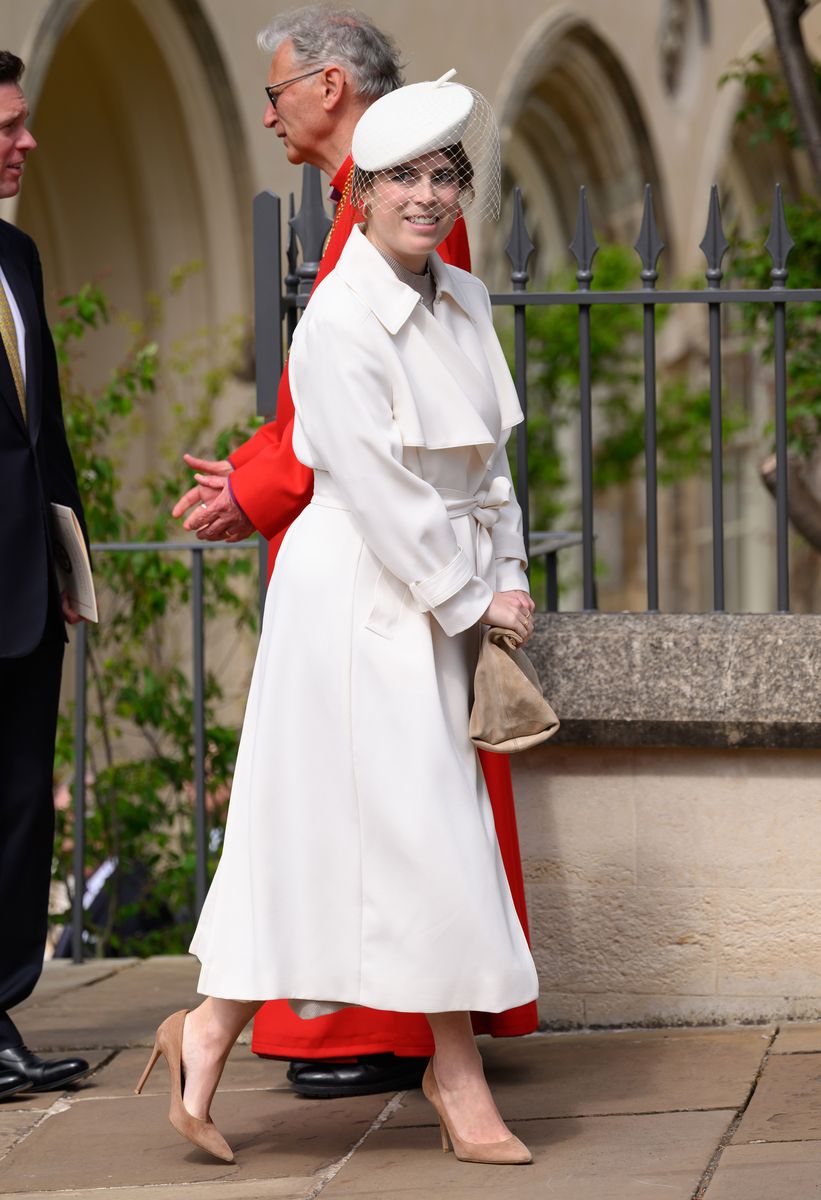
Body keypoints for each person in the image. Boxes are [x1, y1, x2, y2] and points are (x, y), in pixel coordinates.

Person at [138, 69, 538, 1170]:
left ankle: (205, 1035)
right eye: (403, 175)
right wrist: (473, 594)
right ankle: (454, 1079)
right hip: (356, 601)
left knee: (313, 832)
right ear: (358, 192)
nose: (426, 195)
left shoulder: (459, 298)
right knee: (412, 831)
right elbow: (378, 493)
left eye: (443, 174)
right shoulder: (335, 321)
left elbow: (485, 465)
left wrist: (503, 565)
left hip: (431, 590)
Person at [0, 50, 91, 1099]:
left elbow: (42, 434)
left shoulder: (17, 256)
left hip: (28, 589)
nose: (26, 142)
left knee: (22, 804)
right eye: (8, 127)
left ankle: (2, 1012)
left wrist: (70, 555)